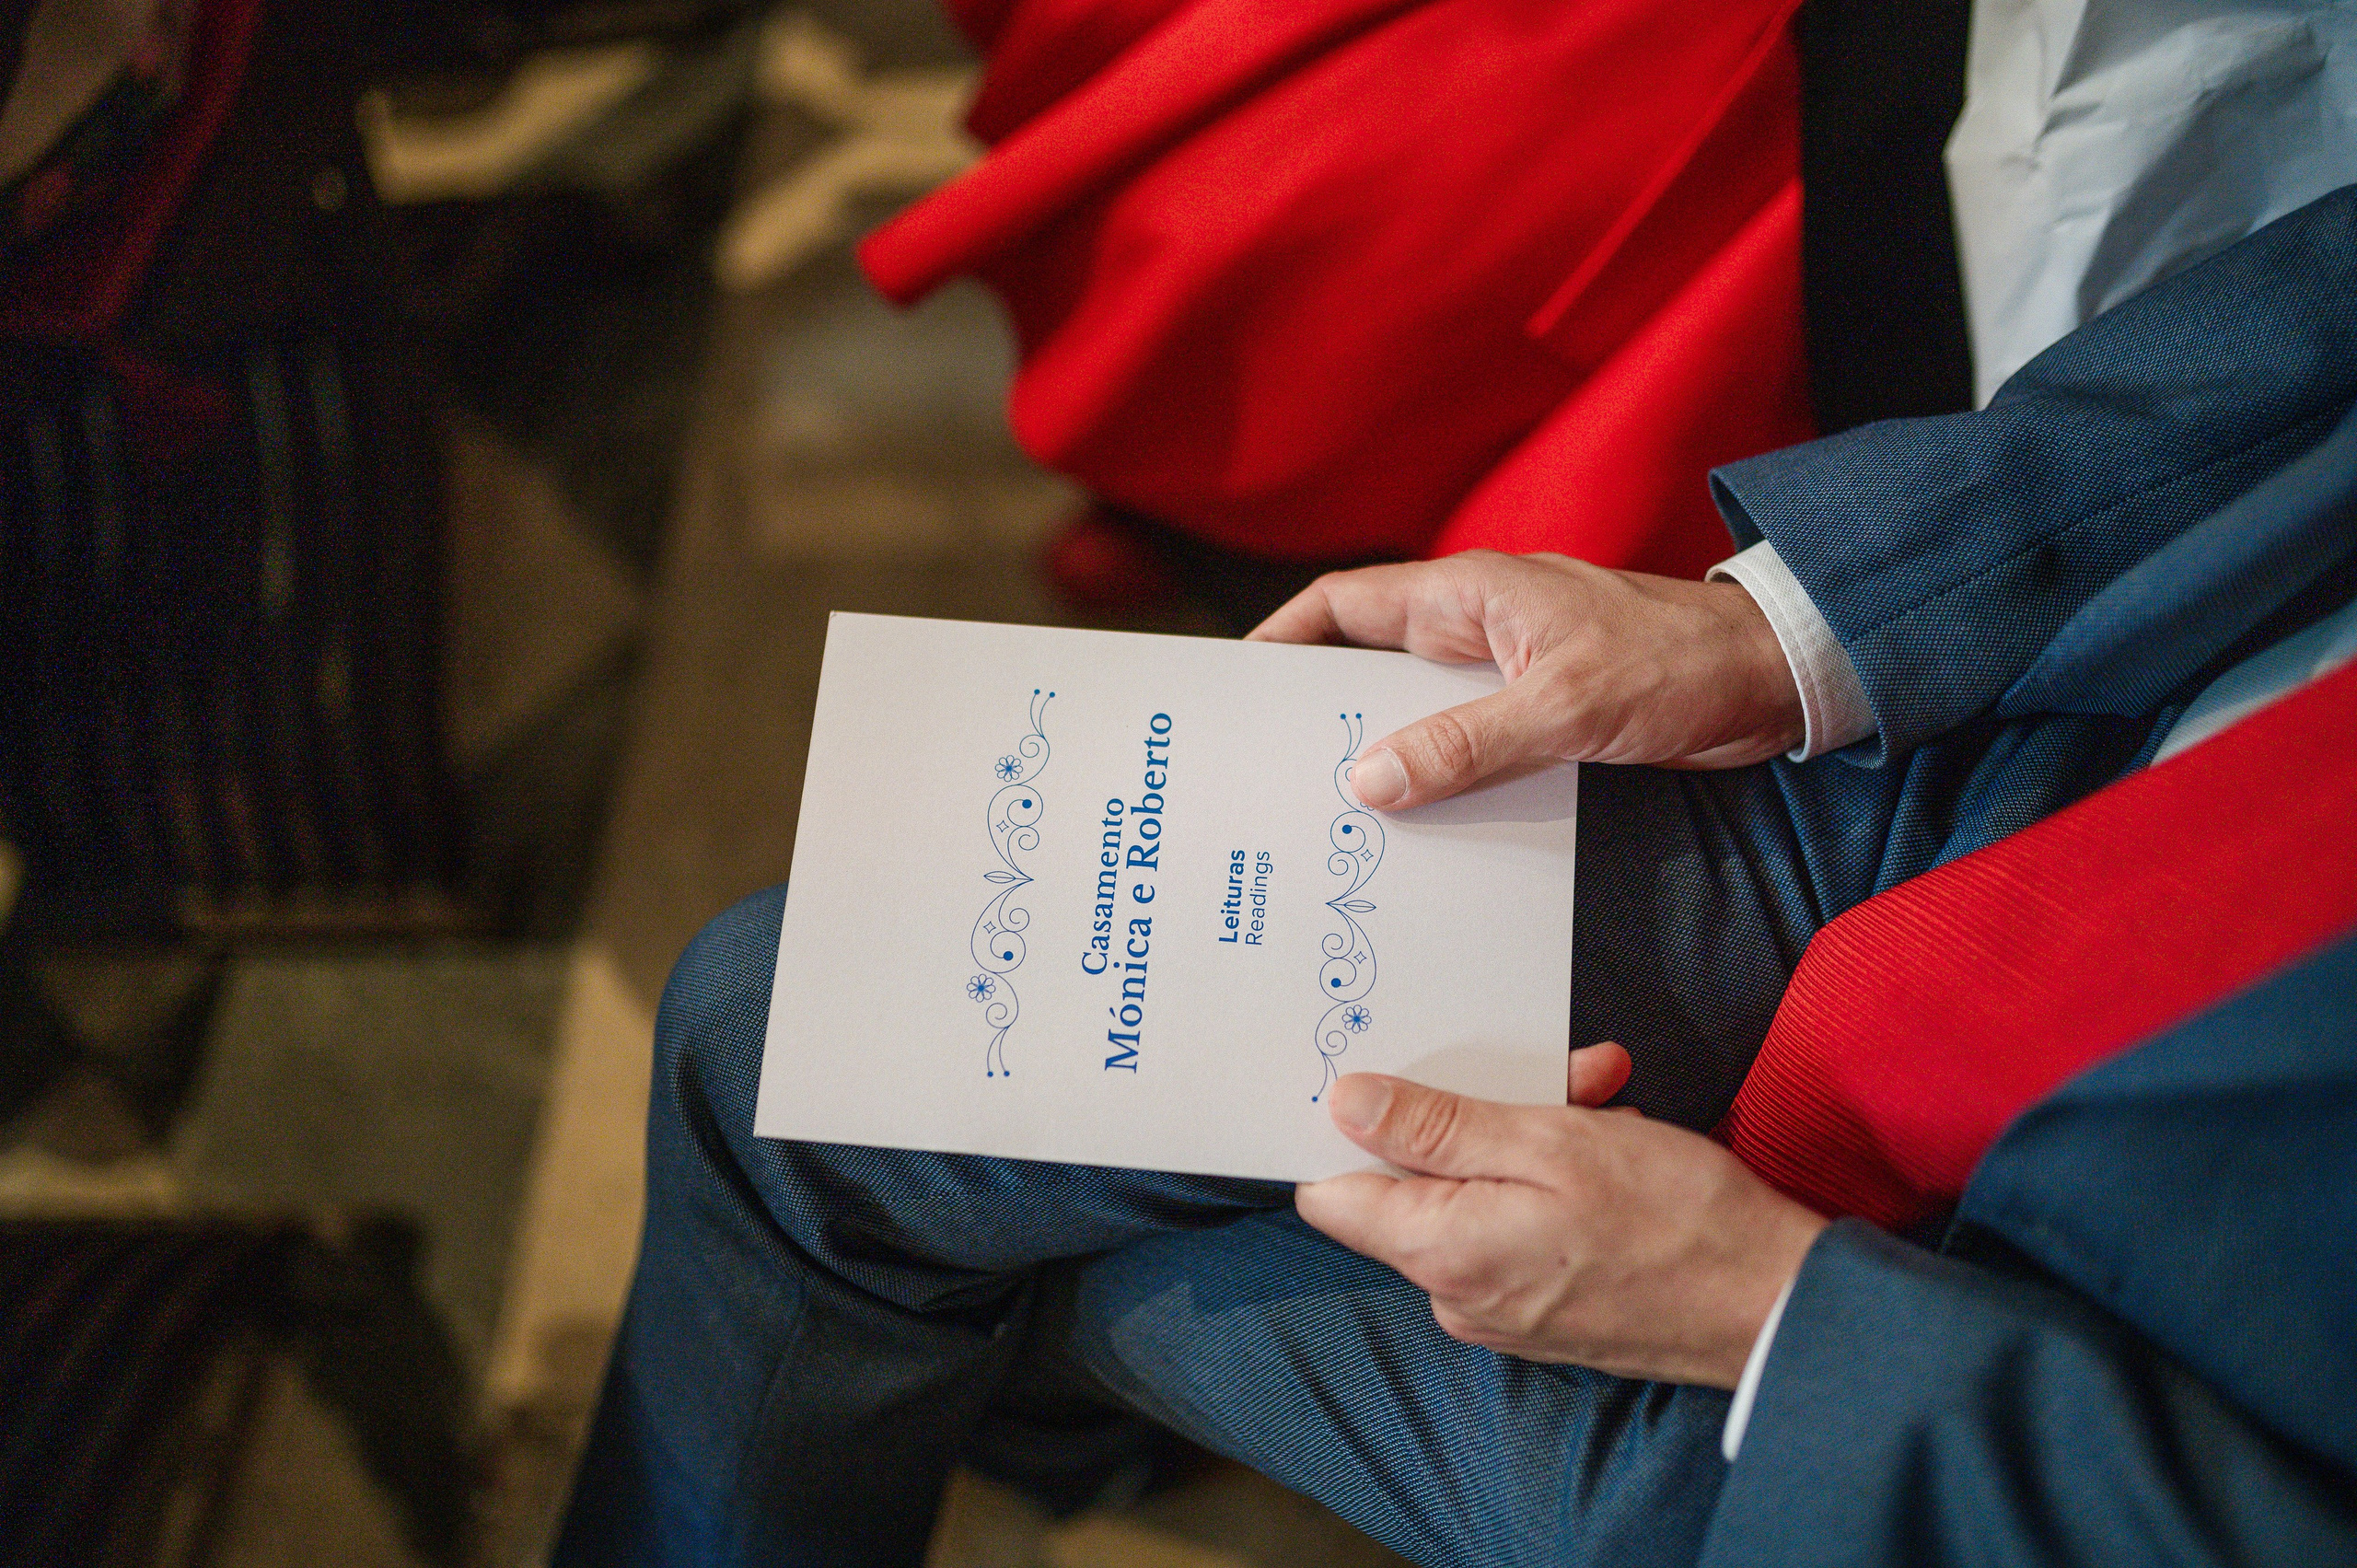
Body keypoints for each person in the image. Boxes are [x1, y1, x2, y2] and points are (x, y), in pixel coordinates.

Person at [550, 182, 2357, 1565]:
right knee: (779, 1027)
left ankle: (1003, 1395)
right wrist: (1784, 629)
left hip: (2017, 1431)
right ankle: (1007, 1404)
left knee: (970, 1220)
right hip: (2060, 785)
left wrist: (1772, 1321)